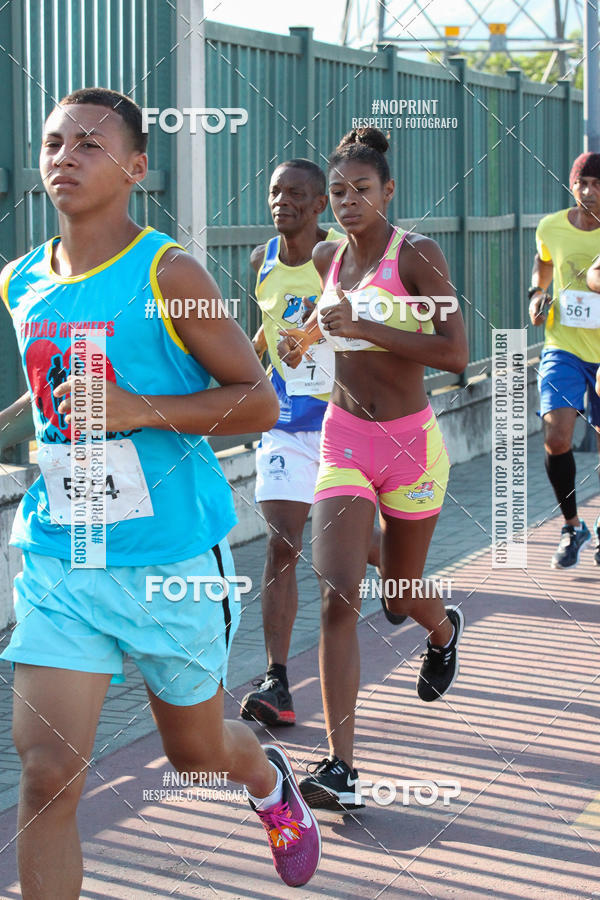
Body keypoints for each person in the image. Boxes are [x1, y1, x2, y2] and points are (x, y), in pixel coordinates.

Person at [0, 88, 321, 895]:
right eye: (52, 143)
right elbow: (50, 394)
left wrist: (135, 410)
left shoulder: (166, 270)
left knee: (196, 751)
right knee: (45, 780)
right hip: (62, 557)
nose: (64, 157)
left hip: (171, 562)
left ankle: (266, 777)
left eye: (88, 145)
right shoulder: (19, 280)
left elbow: (258, 399)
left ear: (137, 167)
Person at [277, 127, 468, 811]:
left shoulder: (417, 255)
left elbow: (455, 354)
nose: (349, 200)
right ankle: (341, 768)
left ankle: (441, 628)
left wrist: (366, 322)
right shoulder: (328, 255)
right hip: (345, 438)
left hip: (413, 447)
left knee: (400, 595)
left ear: (389, 192)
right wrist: (300, 339)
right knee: (339, 590)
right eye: (339, 191)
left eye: (363, 189)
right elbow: (317, 324)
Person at [241, 160, 379, 727]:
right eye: (275, 192)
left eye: (297, 194)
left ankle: (419, 597)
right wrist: (244, 366)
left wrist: (315, 333)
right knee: (282, 543)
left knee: (352, 548)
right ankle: (277, 680)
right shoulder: (260, 261)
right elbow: (266, 330)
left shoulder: (342, 257)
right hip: (282, 420)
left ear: (320, 203)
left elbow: (366, 321)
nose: (283, 202)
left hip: (340, 421)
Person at [529, 152, 600, 568]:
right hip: (564, 347)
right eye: (582, 184)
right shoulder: (551, 227)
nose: (588, 192)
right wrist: (536, 297)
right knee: (556, 437)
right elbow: (542, 264)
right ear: (572, 186)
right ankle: (573, 525)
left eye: (597, 185)